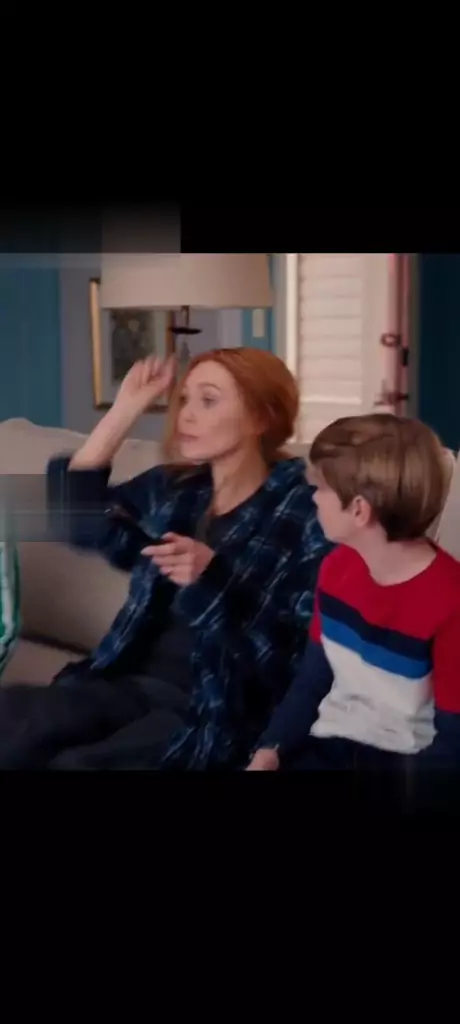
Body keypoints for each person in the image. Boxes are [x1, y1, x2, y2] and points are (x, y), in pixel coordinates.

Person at [0, 347, 330, 771]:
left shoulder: (307, 513)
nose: (186, 415)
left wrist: (212, 578)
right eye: (184, 399)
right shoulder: (176, 488)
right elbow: (78, 522)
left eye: (208, 400)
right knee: (15, 723)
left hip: (210, 708)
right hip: (124, 681)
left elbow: (291, 654)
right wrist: (125, 409)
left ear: (261, 418)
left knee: (77, 765)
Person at [247, 413, 460, 811]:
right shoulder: (335, 569)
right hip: (328, 748)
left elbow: (452, 743)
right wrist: (270, 748)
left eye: (321, 488)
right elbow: (313, 679)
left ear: (359, 509)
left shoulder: (451, 600)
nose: (313, 498)